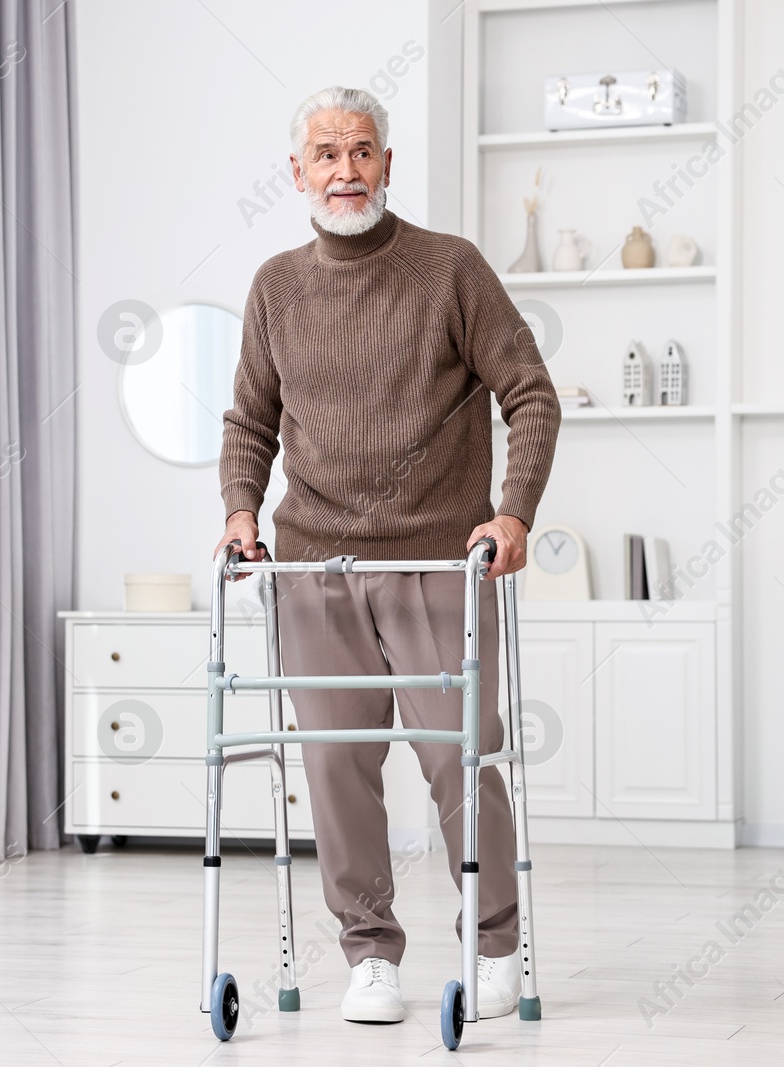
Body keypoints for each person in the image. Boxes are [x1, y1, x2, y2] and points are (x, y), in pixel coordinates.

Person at [214, 85, 559, 1024]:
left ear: (388, 164)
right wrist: (242, 508)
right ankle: (368, 952)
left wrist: (514, 513)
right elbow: (251, 419)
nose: (344, 170)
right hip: (315, 564)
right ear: (298, 174)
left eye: (361, 150)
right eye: (324, 154)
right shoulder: (276, 287)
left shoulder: (450, 269)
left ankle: (493, 941)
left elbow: (530, 393)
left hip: (438, 560)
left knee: (457, 758)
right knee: (334, 763)